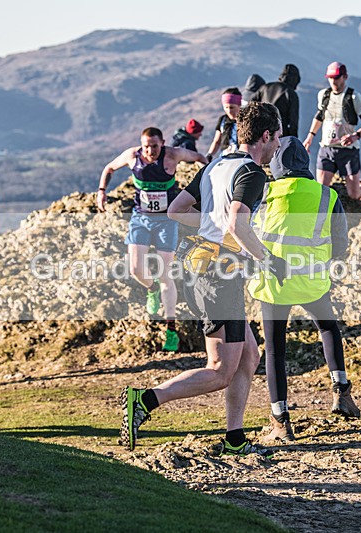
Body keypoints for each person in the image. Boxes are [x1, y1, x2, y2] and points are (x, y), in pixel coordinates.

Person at [120, 102, 286, 457]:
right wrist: (267, 259)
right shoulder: (252, 173)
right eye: (278, 137)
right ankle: (146, 400)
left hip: (208, 271)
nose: (278, 145)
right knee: (220, 369)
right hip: (218, 278)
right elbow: (239, 223)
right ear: (267, 135)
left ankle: (234, 438)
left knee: (248, 357)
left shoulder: (218, 165)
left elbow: (176, 210)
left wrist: (214, 224)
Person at [248, 136, 360, 444]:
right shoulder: (326, 195)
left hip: (274, 285)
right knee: (328, 329)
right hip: (312, 282)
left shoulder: (265, 192)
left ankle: (281, 421)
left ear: (276, 163)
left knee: (274, 351)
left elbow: (249, 236)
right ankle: (342, 394)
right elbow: (340, 245)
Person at [98, 127, 207, 352]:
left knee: (166, 274)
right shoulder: (132, 156)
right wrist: (102, 190)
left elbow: (198, 158)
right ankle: (151, 288)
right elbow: (109, 168)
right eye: (146, 146)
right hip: (140, 219)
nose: (150, 151)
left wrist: (207, 182)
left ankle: (171, 330)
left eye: (155, 146)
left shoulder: (173, 155)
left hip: (166, 221)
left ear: (162, 143)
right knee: (136, 270)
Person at [303, 61, 361, 213]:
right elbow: (319, 116)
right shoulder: (323, 95)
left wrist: (355, 136)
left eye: (337, 77)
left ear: (345, 77)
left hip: (348, 150)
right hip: (327, 148)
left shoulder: (354, 97)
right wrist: (310, 137)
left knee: (354, 194)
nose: (333, 81)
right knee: (321, 191)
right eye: (330, 77)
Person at [252, 64, 301, 137]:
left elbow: (251, 106)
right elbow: (293, 122)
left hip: (261, 132)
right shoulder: (291, 93)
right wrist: (294, 140)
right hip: (280, 135)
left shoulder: (265, 87)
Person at [206, 88, 242, 162]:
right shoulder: (223, 120)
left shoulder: (245, 121)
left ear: (239, 105)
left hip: (242, 157)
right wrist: (209, 154)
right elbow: (217, 141)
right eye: (226, 107)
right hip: (225, 157)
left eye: (232, 107)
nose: (229, 111)